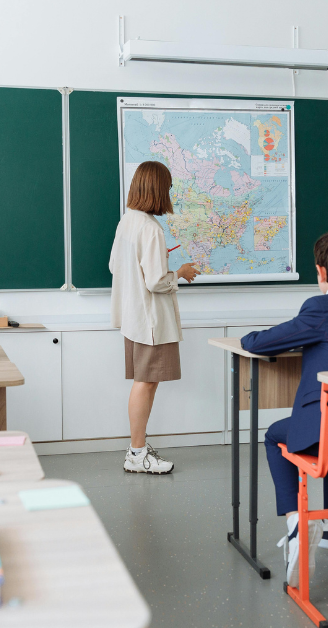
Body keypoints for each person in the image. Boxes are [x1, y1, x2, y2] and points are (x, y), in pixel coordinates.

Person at [240, 228, 328, 586]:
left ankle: (297, 523)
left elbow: (261, 343)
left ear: (320, 272)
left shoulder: (321, 307)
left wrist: (248, 337)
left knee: (274, 436)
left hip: (327, 434)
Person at [109, 161, 198, 474]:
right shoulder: (150, 228)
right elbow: (157, 282)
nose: (170, 193)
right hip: (151, 323)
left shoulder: (127, 222)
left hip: (135, 318)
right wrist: (180, 272)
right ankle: (136, 453)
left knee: (142, 382)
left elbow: (114, 267)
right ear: (158, 189)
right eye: (169, 187)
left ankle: (138, 448)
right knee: (145, 384)